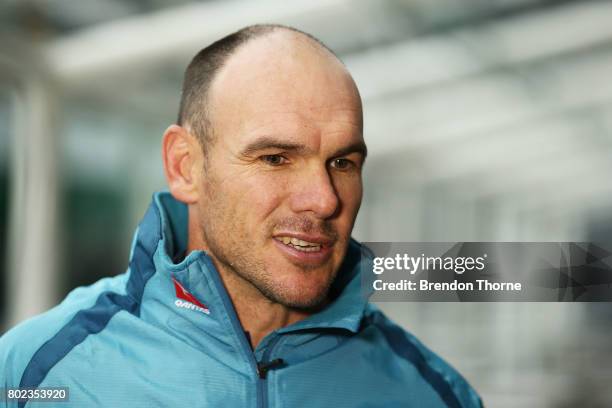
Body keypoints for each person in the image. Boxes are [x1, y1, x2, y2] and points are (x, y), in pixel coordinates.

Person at [0, 24, 482, 407]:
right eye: (275, 158)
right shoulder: (36, 372)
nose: (324, 200)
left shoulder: (433, 393)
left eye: (342, 163)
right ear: (184, 166)